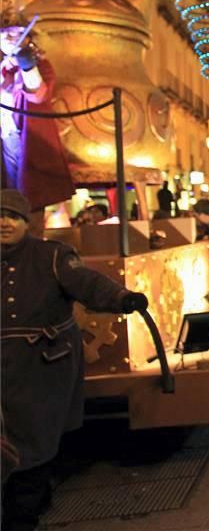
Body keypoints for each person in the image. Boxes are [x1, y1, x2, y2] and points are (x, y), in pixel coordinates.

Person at [1, 188, 148, 530]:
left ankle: (26, 512)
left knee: (35, 441)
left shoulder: (51, 255)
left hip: (40, 368)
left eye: (13, 216)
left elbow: (85, 281)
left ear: (26, 223)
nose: (4, 223)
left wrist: (121, 297)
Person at [0, 9, 74, 210]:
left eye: (14, 33)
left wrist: (26, 65)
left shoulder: (40, 65)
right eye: (3, 33)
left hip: (27, 139)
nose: (7, 37)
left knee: (27, 192)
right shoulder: (3, 67)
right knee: (7, 192)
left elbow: (38, 94)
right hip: (4, 140)